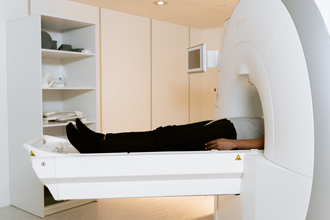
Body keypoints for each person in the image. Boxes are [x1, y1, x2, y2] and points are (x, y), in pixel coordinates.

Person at [66, 117, 264, 154]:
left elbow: (277, 140)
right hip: (229, 123)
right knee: (163, 132)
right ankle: (101, 138)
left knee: (163, 141)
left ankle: (94, 147)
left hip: (233, 133)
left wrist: (235, 144)